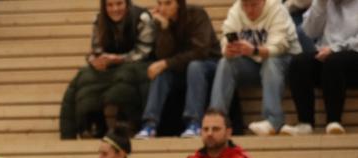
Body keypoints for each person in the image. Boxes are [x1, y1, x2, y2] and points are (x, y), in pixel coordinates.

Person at [59, 0, 155, 139]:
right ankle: (91, 122)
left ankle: (127, 120)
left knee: (126, 75)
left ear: (127, 4)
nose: (114, 9)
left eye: (119, 4)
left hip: (138, 63)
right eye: (109, 5)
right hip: (111, 65)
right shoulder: (99, 20)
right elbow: (96, 49)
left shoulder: (142, 18)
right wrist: (95, 60)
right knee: (84, 76)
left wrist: (120, 59)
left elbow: (144, 50)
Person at [208, 0, 302, 136]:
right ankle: (215, 120)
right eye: (245, 5)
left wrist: (254, 51)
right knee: (225, 63)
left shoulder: (276, 9)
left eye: (254, 5)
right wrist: (227, 50)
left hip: (287, 64)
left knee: (270, 62)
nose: (249, 10)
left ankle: (272, 120)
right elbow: (226, 37)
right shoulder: (236, 10)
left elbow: (279, 47)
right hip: (255, 65)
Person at [134, 0, 221, 138]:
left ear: (179, 4)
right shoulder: (160, 20)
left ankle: (194, 123)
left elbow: (200, 52)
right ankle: (150, 125)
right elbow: (163, 55)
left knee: (194, 66)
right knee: (161, 73)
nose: (162, 8)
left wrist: (166, 63)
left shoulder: (197, 14)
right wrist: (164, 28)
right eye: (160, 3)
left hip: (209, 65)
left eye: (168, 3)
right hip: (181, 68)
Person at [281, 0, 358, 136]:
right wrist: (320, 5)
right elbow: (309, 31)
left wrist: (335, 49)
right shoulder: (324, 3)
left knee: (334, 61)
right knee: (299, 62)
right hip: (328, 55)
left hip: (352, 55)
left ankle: (334, 120)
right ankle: (305, 123)